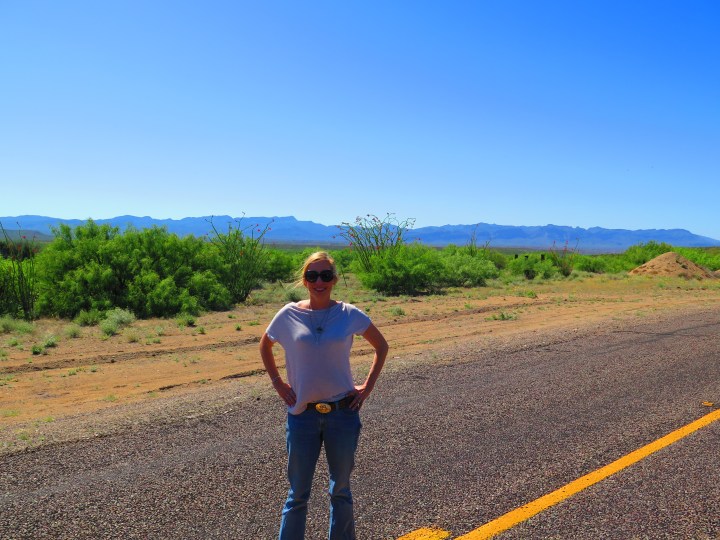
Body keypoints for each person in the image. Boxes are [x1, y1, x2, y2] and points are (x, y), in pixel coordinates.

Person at [260, 251, 389, 540]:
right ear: (304, 280)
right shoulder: (288, 314)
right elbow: (265, 345)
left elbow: (382, 346)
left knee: (340, 490)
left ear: (335, 280)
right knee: (297, 495)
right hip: (302, 416)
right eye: (312, 276)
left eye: (326, 276)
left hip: (342, 414)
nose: (319, 281)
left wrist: (367, 386)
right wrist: (278, 383)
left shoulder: (349, 314)